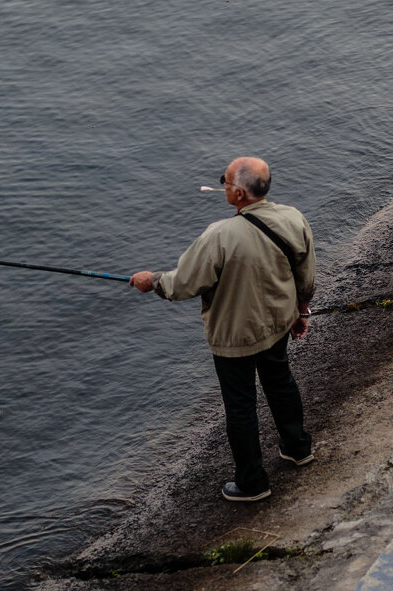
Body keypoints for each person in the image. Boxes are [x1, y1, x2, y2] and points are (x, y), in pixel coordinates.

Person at [129, 156, 315, 502]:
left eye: (226, 182)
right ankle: (298, 447)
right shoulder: (293, 217)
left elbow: (183, 283)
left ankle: (252, 483)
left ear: (240, 194)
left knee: (240, 406)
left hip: (235, 337)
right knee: (280, 382)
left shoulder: (220, 234)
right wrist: (301, 312)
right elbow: (306, 276)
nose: (223, 186)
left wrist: (150, 281)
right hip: (277, 323)